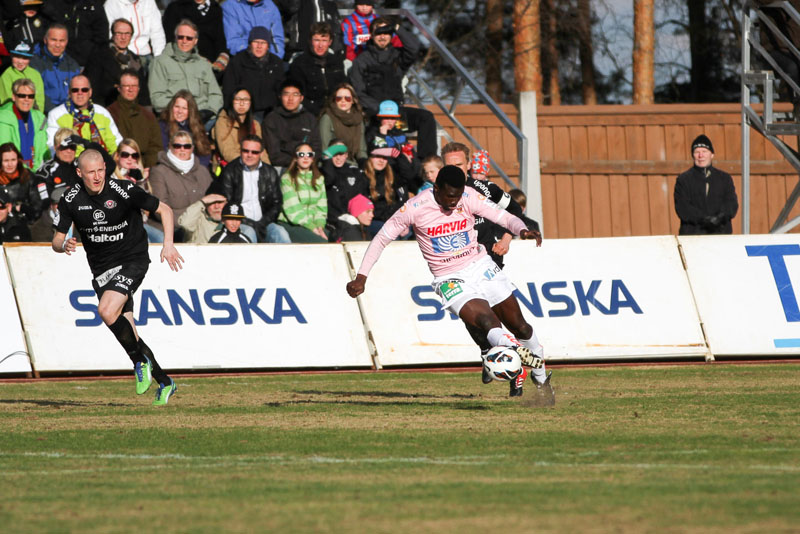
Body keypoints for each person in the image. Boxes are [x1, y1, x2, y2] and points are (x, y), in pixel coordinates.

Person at [345, 165, 551, 398]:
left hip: (481, 266)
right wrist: (362, 276)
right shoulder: (415, 207)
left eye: (458, 195)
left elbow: (503, 217)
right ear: (436, 189)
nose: (454, 202)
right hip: (449, 277)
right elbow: (382, 237)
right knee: (485, 320)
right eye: (449, 196)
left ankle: (541, 376)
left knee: (520, 325)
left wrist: (522, 230)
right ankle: (514, 349)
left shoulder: (468, 196)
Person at [52, 148, 183, 405]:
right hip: (101, 270)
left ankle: (139, 362)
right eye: (91, 172)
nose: (98, 176)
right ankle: (166, 382)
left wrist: (168, 243)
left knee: (106, 311)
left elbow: (165, 210)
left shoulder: (124, 190)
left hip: (132, 260)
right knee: (129, 333)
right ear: (80, 173)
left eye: (101, 170)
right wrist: (63, 244)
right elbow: (57, 239)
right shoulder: (70, 198)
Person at [349, 17, 437, 159]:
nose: (382, 36)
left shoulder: (398, 56)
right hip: (375, 117)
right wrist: (382, 111)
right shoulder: (361, 61)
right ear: (371, 35)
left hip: (398, 116)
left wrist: (397, 27)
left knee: (426, 118)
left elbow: (414, 47)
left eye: (386, 32)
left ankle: (427, 163)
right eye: (378, 32)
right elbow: (358, 92)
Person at [148, 19, 223, 120]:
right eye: (180, 37)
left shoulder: (203, 64)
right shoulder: (160, 62)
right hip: (173, 117)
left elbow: (216, 94)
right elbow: (157, 99)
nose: (184, 41)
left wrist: (209, 111)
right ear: (175, 38)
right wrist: (183, 110)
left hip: (202, 116)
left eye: (189, 38)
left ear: (195, 41)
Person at [220, 134, 288, 243]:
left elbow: (276, 203)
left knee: (280, 233)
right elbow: (228, 203)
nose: (249, 155)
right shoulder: (230, 171)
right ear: (240, 151)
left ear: (261, 153)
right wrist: (248, 223)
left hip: (264, 222)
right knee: (250, 233)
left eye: (254, 152)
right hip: (240, 223)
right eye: (246, 151)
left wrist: (262, 222)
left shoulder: (270, 172)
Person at [148, 130, 213, 237]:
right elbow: (159, 209)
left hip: (201, 226)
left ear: (192, 148)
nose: (182, 149)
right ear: (170, 147)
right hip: (170, 229)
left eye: (186, 146)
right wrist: (187, 223)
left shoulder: (202, 171)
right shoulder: (159, 172)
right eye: (177, 146)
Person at [674, 134, 739, 235]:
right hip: (693, 237)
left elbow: (731, 204)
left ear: (712, 154)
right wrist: (704, 219)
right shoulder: (683, 180)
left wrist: (719, 218)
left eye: (704, 151)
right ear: (693, 155)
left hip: (720, 235)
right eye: (697, 152)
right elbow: (683, 208)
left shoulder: (725, 178)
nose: (701, 156)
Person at [45, 75, 123, 155]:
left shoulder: (102, 112)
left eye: (84, 90)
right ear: (69, 92)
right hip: (72, 164)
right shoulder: (55, 115)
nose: (80, 93)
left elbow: (117, 141)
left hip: (103, 162)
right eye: (75, 90)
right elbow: (52, 146)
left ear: (90, 92)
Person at [83, 18, 151, 107]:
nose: (123, 37)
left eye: (127, 34)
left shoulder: (135, 60)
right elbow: (94, 88)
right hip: (106, 108)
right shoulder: (99, 55)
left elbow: (143, 94)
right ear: (113, 35)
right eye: (119, 33)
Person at [222, 26, 285, 122]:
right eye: (256, 42)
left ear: (268, 46)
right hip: (245, 113)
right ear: (250, 44)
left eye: (263, 43)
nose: (259, 46)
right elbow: (228, 90)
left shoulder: (276, 63)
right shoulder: (237, 62)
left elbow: (281, 90)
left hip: (271, 113)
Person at [287, 22, 347, 117]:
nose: (320, 45)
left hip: (335, 110)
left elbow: (344, 87)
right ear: (310, 41)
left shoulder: (336, 62)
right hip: (310, 113)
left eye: (324, 40)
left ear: (330, 42)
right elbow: (297, 94)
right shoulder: (299, 64)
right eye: (317, 40)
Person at [262, 79, 322, 171]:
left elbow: (316, 148)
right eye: (286, 94)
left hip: (308, 166)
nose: (290, 99)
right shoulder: (271, 119)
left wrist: (306, 162)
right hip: (282, 167)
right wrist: (298, 162)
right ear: (280, 96)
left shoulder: (310, 118)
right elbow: (274, 154)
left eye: (295, 94)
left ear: (301, 98)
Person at [107, 69, 161, 168]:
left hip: (144, 167)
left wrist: (145, 166)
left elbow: (155, 147)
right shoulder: (110, 113)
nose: (131, 89)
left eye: (134, 86)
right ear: (119, 88)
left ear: (139, 88)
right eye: (127, 86)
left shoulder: (148, 116)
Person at [112, 137, 162, 243]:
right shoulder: (112, 177)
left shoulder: (139, 176)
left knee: (161, 238)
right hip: (119, 226)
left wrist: (140, 180)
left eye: (134, 156)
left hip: (141, 223)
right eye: (125, 155)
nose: (130, 159)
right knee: (145, 241)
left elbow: (147, 203)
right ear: (117, 156)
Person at [362, 137, 413, 237]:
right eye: (377, 156)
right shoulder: (363, 177)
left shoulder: (392, 175)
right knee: (390, 234)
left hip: (393, 221)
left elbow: (409, 174)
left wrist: (398, 155)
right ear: (370, 158)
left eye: (384, 157)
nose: (381, 160)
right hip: (373, 221)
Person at [277, 142, 327, 243]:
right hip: (293, 224)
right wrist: (312, 227)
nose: (305, 158)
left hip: (313, 224)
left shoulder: (319, 179)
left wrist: (320, 226)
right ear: (295, 158)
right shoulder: (287, 179)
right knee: (321, 243)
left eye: (309, 154)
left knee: (336, 240)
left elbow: (321, 208)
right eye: (301, 154)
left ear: (313, 158)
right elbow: (293, 210)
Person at [320, 140, 369, 242]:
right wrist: (326, 160)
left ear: (346, 155)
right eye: (334, 154)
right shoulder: (323, 171)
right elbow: (329, 180)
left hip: (355, 220)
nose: (338, 158)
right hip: (333, 221)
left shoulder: (355, 172)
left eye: (341, 154)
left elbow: (362, 199)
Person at [40, 0, 109, 67]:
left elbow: (102, 39)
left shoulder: (93, 6)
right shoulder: (51, 4)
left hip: (85, 63)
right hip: (54, 62)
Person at [213, 87, 270, 167]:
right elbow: (227, 152)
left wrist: (268, 168)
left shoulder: (255, 124)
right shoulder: (223, 122)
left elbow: (261, 151)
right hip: (232, 167)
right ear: (231, 102)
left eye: (246, 100)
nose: (242, 103)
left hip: (253, 165)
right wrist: (249, 165)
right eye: (237, 99)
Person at [30, 24, 81, 112]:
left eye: (62, 40)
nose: (57, 45)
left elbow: (77, 93)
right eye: (53, 40)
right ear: (45, 40)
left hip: (69, 113)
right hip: (43, 113)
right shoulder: (35, 62)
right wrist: (56, 113)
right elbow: (37, 94)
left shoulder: (72, 65)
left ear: (67, 41)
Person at [0, 78, 49, 171]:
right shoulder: (3, 118)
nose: (27, 100)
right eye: (22, 96)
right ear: (14, 97)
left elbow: (43, 147)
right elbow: (4, 151)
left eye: (30, 96)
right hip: (11, 171)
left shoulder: (39, 118)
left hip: (37, 169)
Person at [163, 0, 228, 68]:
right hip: (185, 62)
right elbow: (170, 41)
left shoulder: (216, 9)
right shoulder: (176, 7)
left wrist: (221, 59)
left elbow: (220, 41)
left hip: (213, 64)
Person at [158, 90, 214, 169]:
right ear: (171, 107)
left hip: (194, 169)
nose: (180, 111)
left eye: (184, 108)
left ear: (190, 111)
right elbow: (163, 153)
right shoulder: (163, 126)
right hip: (171, 169)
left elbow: (204, 152)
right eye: (177, 107)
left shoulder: (196, 126)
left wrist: (197, 169)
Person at [103, 0, 166, 65]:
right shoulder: (111, 4)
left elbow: (157, 33)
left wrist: (159, 59)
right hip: (123, 56)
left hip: (146, 54)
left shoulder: (149, 2)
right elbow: (109, 35)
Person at [318, 83, 367, 164]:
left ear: (353, 100)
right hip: (332, 162)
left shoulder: (358, 119)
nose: (343, 100)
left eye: (347, 98)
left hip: (352, 161)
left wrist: (363, 164)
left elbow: (361, 150)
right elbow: (325, 149)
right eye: (339, 98)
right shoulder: (327, 118)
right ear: (334, 100)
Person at [0, 142, 41, 222]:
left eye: (13, 160)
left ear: (18, 160)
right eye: (6, 161)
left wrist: (22, 208)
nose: (10, 164)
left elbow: (38, 207)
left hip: (23, 224)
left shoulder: (28, 177)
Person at [0, 41, 45, 111]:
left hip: (34, 116)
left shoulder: (35, 74)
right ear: (11, 56)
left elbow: (40, 100)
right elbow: (7, 103)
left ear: (30, 59)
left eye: (24, 58)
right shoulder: (6, 75)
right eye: (17, 57)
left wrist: (38, 117)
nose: (20, 62)